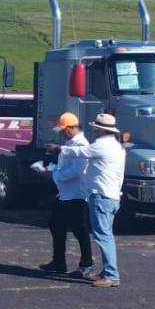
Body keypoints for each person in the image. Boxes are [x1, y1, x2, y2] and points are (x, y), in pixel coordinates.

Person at [50, 113, 125, 288]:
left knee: (103, 236)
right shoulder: (117, 146)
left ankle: (111, 274)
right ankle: (107, 271)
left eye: (96, 129)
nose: (95, 131)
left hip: (101, 194)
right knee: (105, 234)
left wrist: (60, 149)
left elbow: (81, 152)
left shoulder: (101, 145)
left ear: (101, 130)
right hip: (112, 194)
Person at [38, 112, 95, 278]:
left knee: (80, 230)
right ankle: (58, 262)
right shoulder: (71, 143)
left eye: (64, 130)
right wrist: (53, 171)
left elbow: (76, 171)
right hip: (65, 193)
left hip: (77, 194)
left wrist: (53, 175)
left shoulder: (81, 144)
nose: (63, 133)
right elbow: (65, 167)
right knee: (56, 226)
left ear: (72, 127)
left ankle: (86, 263)